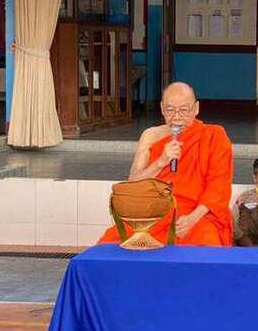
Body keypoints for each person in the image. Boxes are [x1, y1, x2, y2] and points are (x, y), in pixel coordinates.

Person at [98, 82, 233, 246]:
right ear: (162, 108)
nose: (176, 117)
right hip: (155, 212)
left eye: (184, 110)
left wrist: (192, 219)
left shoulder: (214, 136)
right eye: (170, 110)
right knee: (111, 243)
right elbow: (133, 182)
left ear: (196, 108)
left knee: (206, 242)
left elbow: (219, 187)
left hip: (198, 214)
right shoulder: (151, 135)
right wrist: (161, 162)